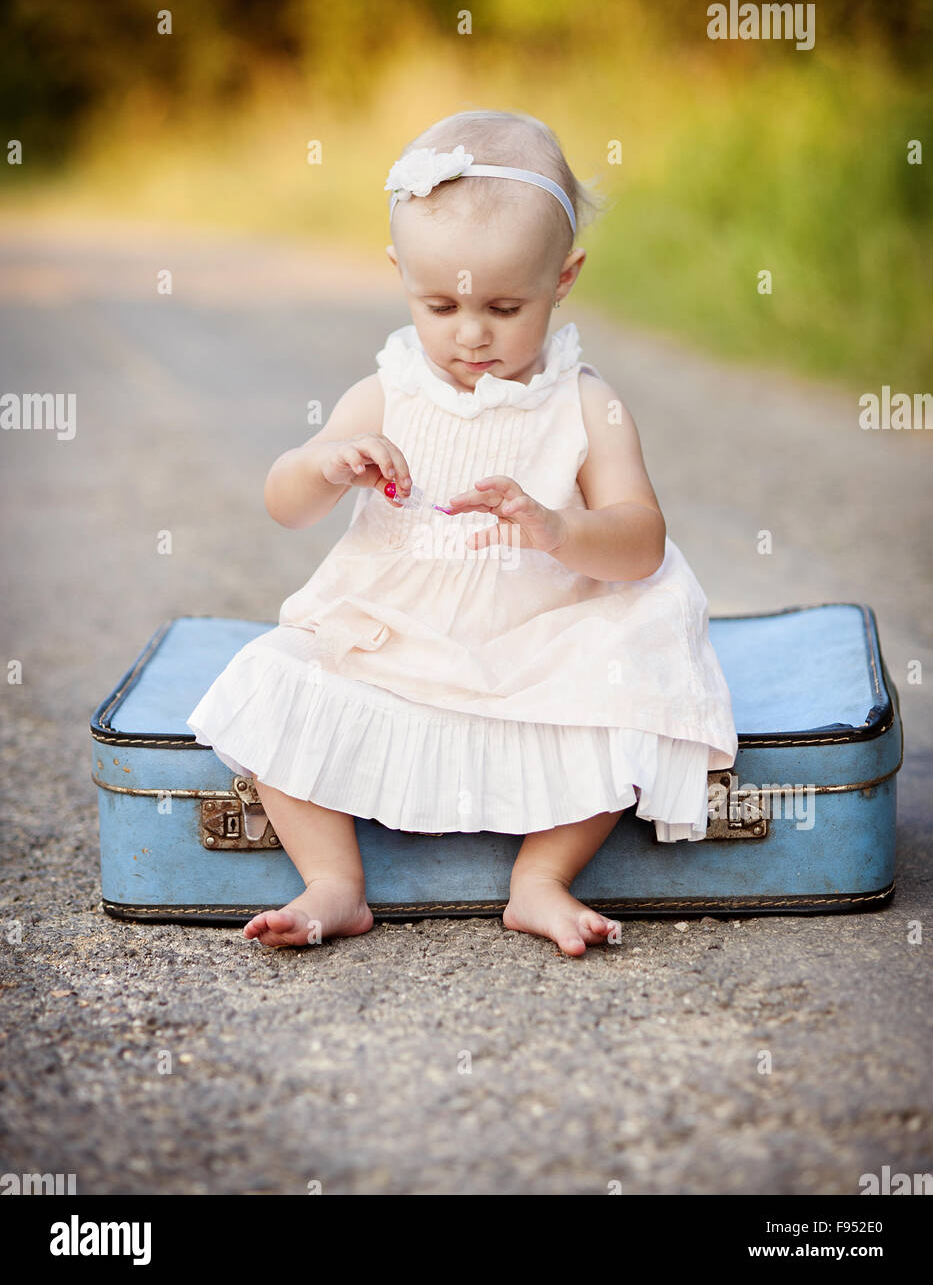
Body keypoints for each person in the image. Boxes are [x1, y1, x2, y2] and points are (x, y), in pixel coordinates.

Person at [186, 109, 737, 957]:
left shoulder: (586, 403)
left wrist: (556, 527)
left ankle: (539, 880)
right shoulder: (389, 389)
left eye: (504, 306)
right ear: (398, 274)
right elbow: (283, 503)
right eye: (439, 303)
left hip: (540, 639)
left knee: (629, 693)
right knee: (274, 682)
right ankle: (334, 883)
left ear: (563, 278)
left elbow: (641, 541)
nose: (471, 333)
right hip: (401, 635)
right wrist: (327, 463)